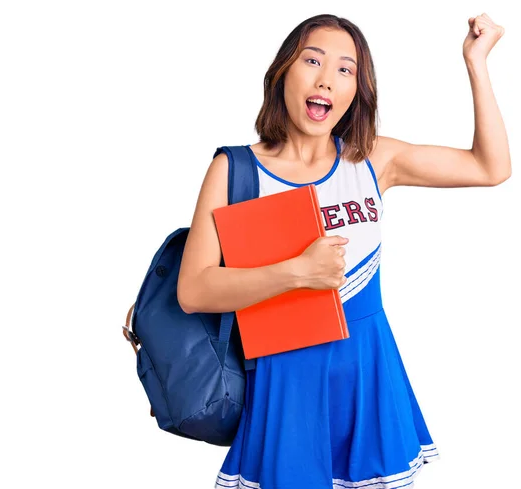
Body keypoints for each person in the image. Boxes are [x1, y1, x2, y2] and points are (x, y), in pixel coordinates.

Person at [176, 12, 510, 489]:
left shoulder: (372, 158)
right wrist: (296, 273)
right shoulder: (235, 169)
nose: (326, 79)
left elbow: (490, 166)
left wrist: (476, 63)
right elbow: (193, 289)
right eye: (312, 60)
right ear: (283, 73)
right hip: (285, 381)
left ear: (357, 90)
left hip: (369, 377)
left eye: (345, 69)